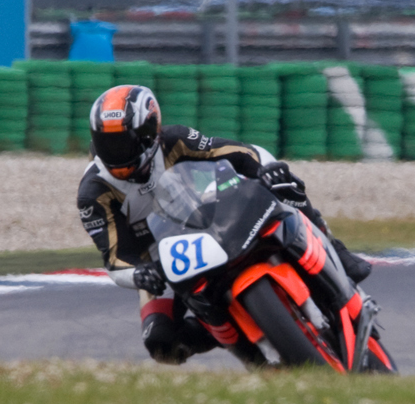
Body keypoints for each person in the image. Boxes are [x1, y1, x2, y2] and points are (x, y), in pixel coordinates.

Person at [76, 83, 372, 365]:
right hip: (162, 262)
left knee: (286, 189)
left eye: (122, 142)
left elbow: (243, 153)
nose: (116, 153)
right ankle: (237, 338)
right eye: (107, 143)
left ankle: (336, 251)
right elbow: (115, 259)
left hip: (213, 216)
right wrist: (141, 275)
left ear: (149, 133)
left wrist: (268, 173)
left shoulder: (175, 140)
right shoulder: (94, 192)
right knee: (160, 343)